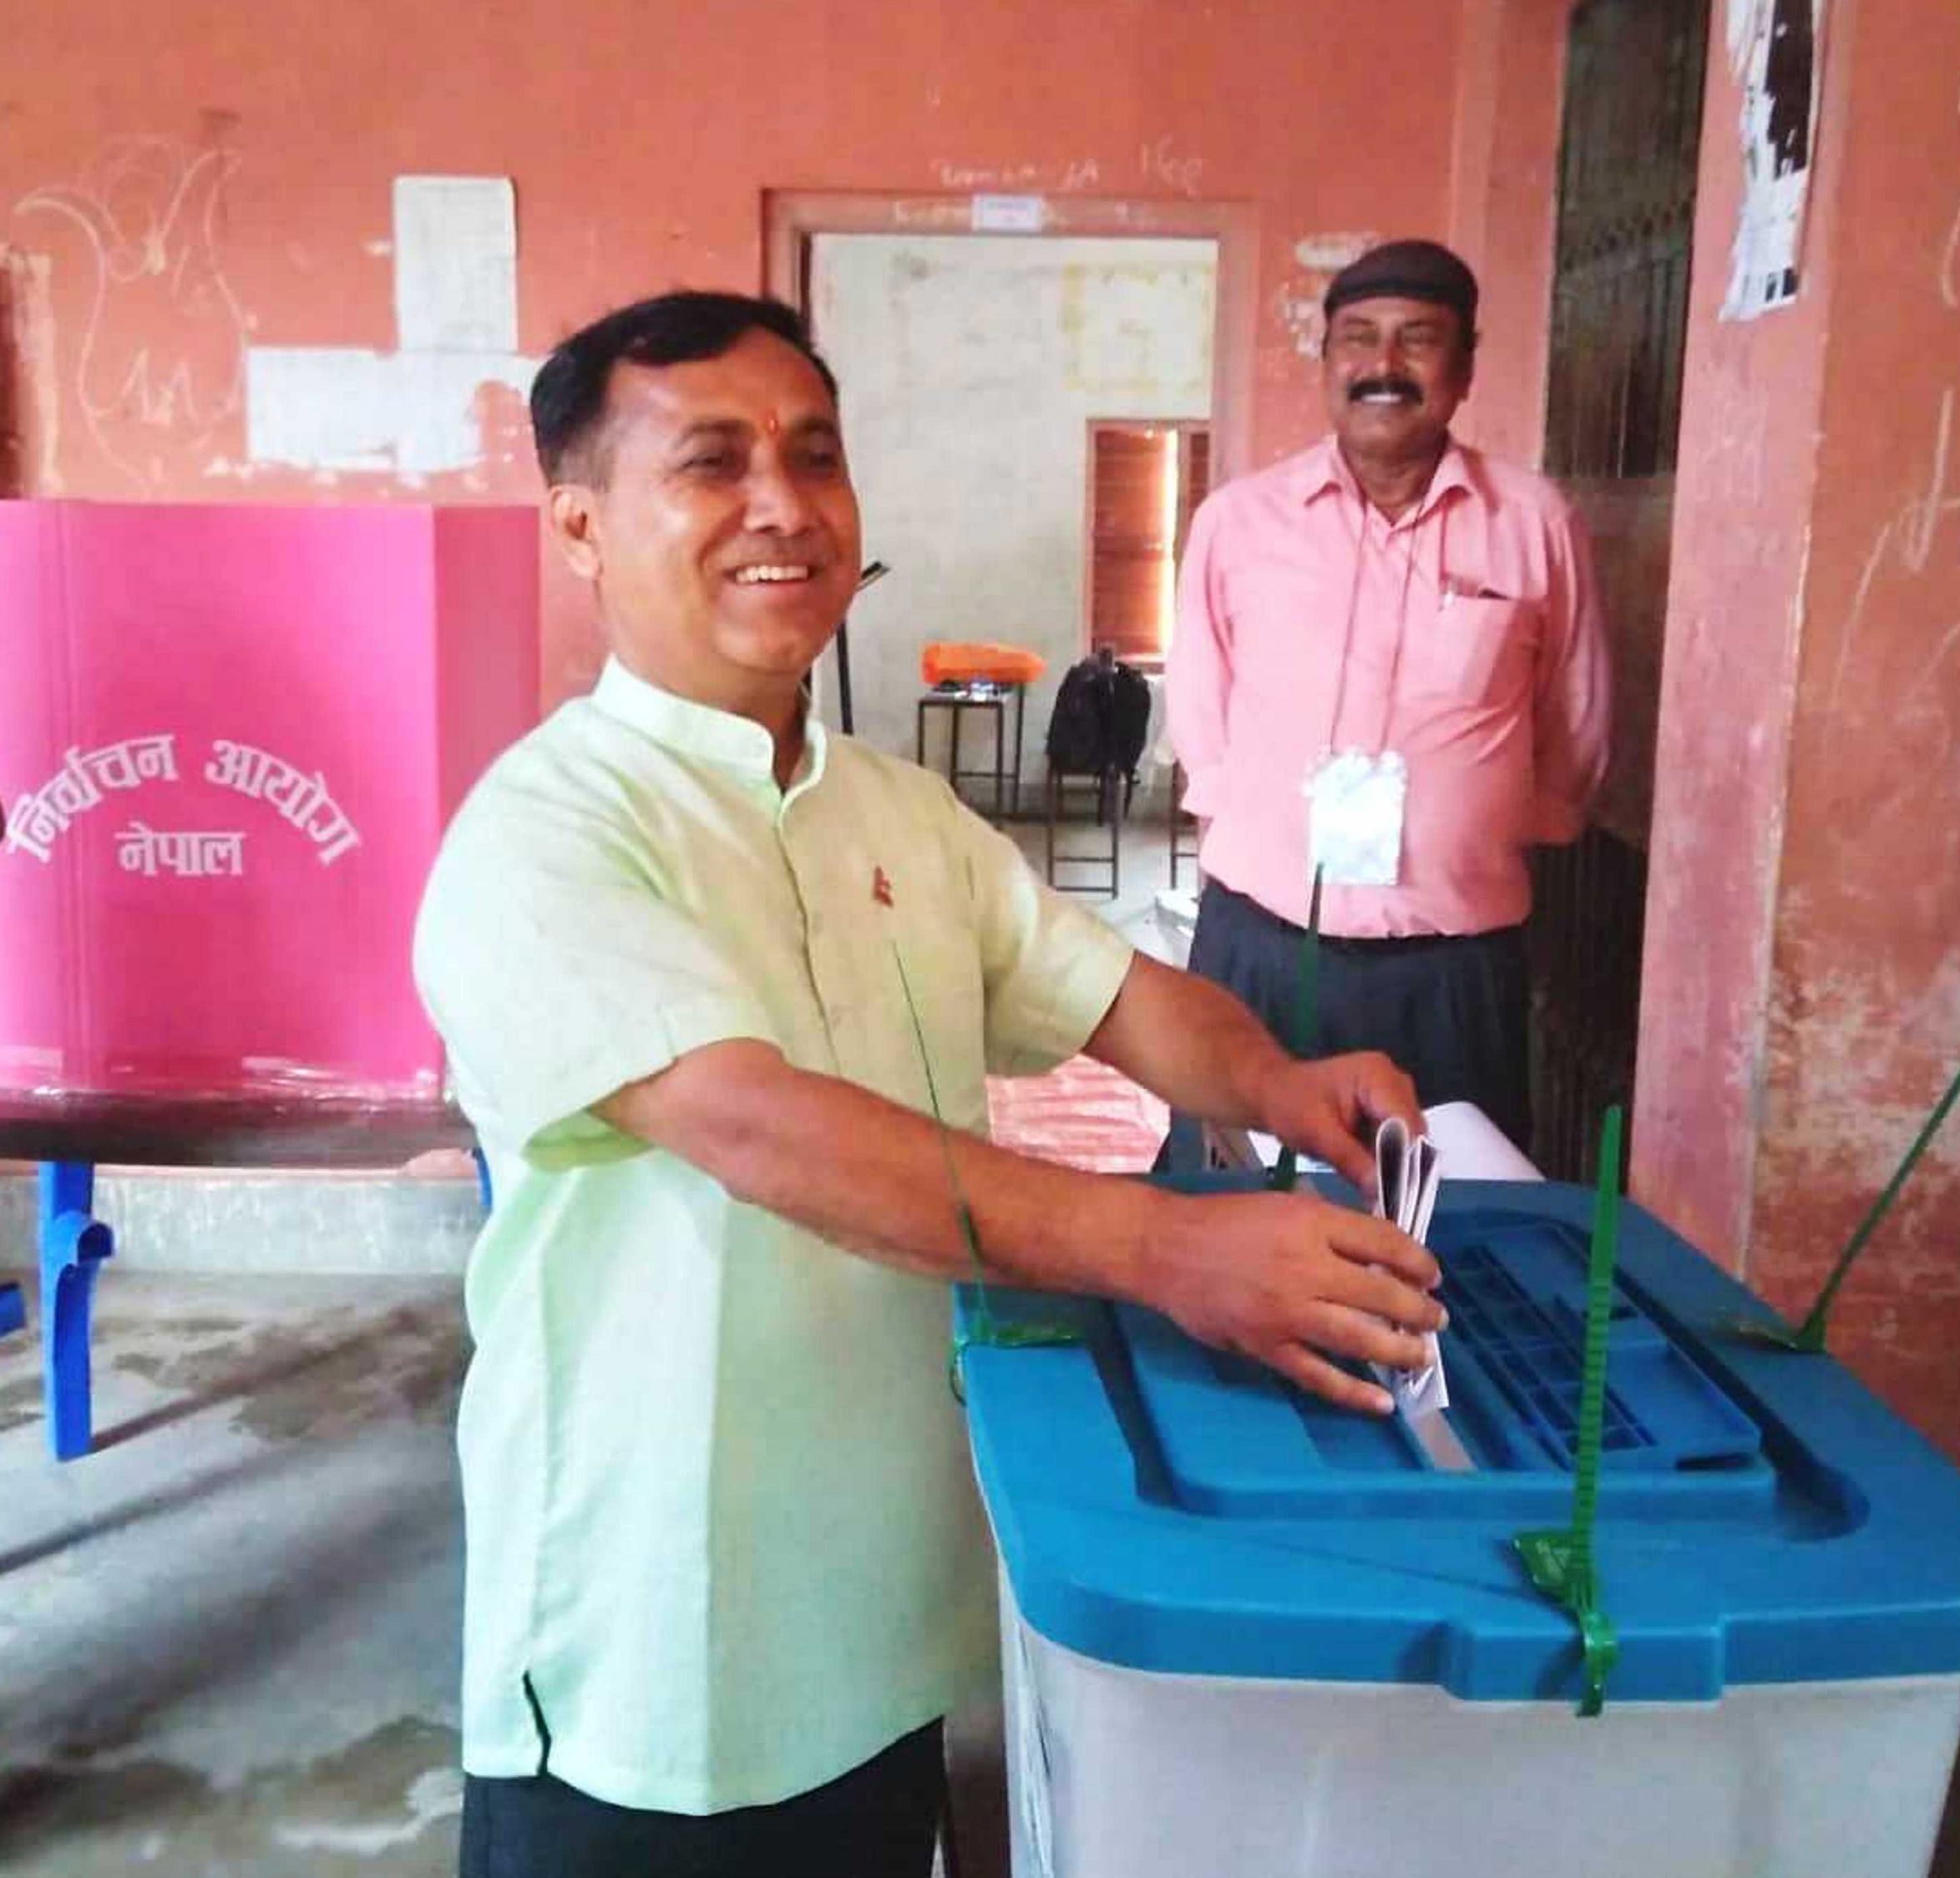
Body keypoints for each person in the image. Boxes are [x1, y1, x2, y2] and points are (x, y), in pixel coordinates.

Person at [413, 290, 1444, 1878]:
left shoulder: (893, 809)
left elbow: (1114, 993)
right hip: (656, 1642)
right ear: (580, 522)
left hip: (890, 1611)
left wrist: (1278, 1075)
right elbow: (761, 1128)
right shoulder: (548, 832)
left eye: (814, 454)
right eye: (710, 461)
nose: (783, 504)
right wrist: (1170, 1247)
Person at [1165, 239, 1612, 1152]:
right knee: (1233, 1211)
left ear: (1465, 367)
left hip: (1449, 965)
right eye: (1357, 339)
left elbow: (1576, 719)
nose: (1383, 365)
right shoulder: (1238, 522)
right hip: (1260, 942)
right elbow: (1202, 718)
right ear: (1326, 362)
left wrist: (1483, 827)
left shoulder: (1534, 525)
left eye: (1418, 340)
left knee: (1441, 1228)